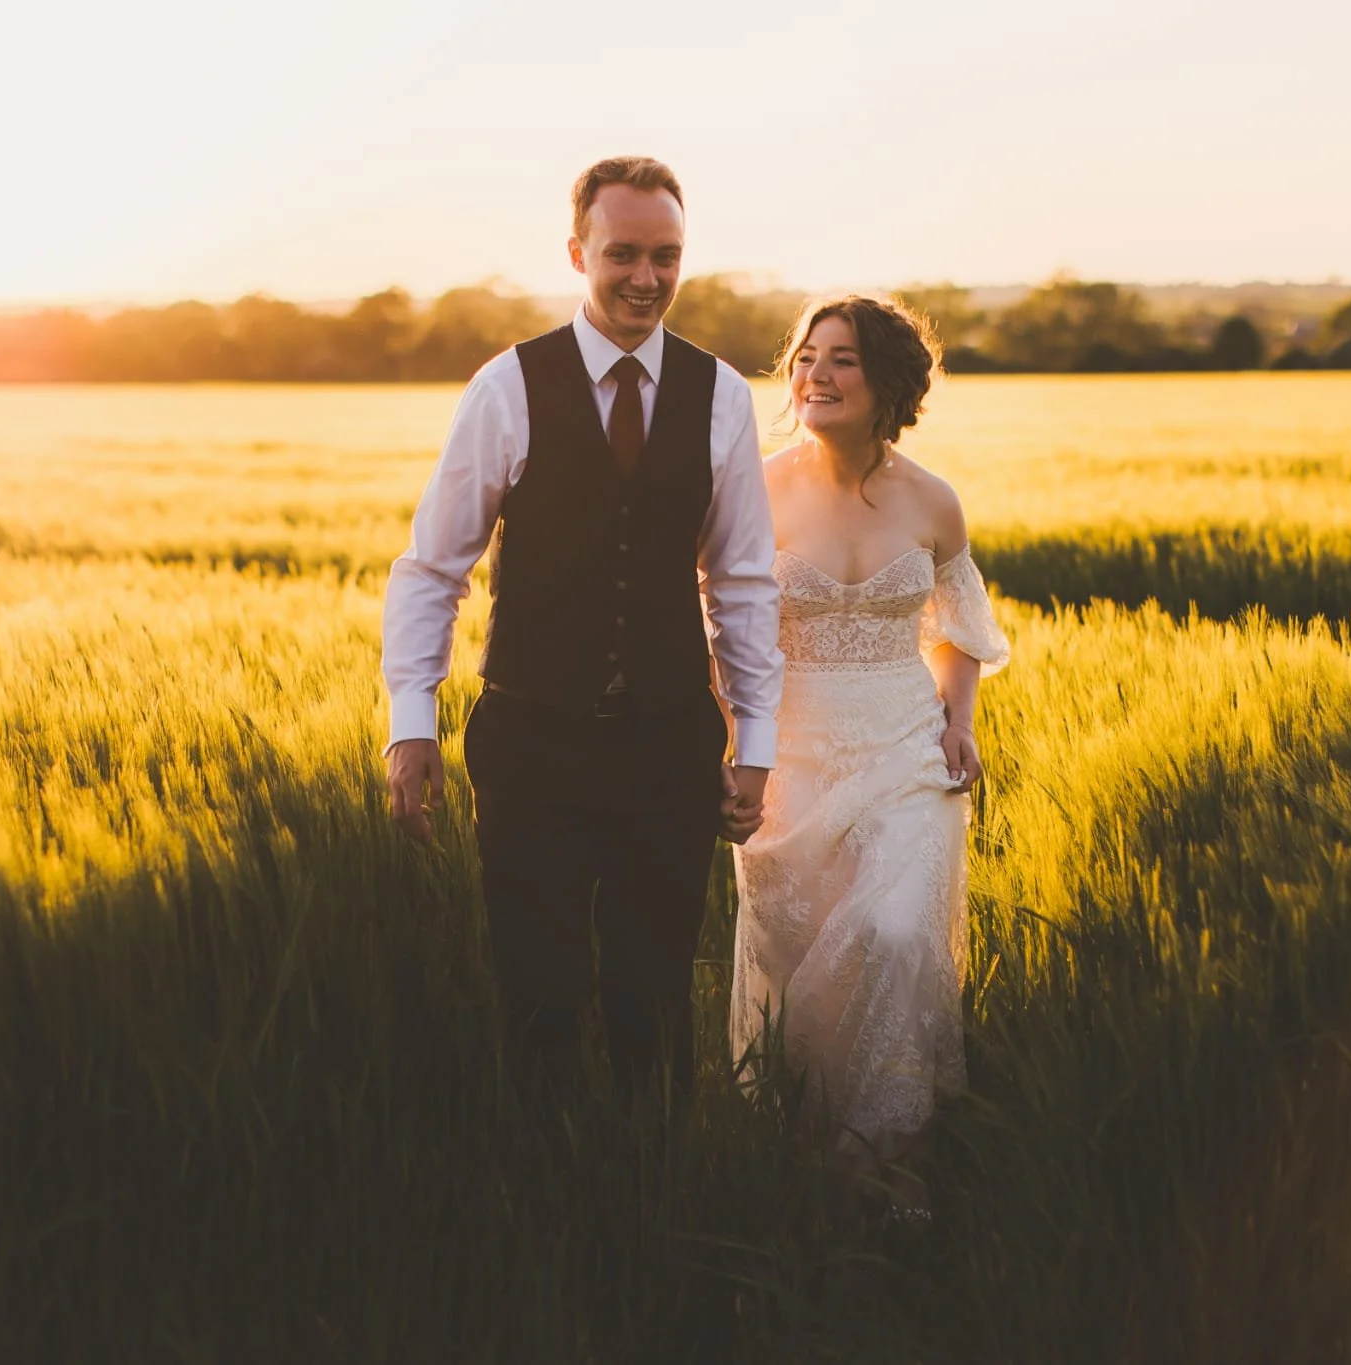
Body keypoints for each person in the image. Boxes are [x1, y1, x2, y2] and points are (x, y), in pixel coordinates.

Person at [381, 156, 783, 1107]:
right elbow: (433, 567)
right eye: (624, 253)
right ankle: (551, 1200)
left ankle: (653, 1198)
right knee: (540, 998)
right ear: (578, 253)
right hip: (533, 742)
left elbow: (742, 579)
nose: (646, 276)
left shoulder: (721, 394)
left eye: (667, 256)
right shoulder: (507, 387)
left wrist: (755, 742)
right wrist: (412, 721)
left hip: (669, 743)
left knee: (655, 1002)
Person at [729, 296, 1010, 1215]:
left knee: (891, 938)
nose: (814, 375)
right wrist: (737, 742)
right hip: (793, 757)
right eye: (805, 358)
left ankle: (896, 1172)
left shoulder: (934, 499)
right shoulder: (752, 487)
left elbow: (960, 627)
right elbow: (717, 630)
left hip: (904, 749)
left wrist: (958, 720)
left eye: (841, 360)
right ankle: (806, 1164)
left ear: (888, 382)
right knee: (804, 957)